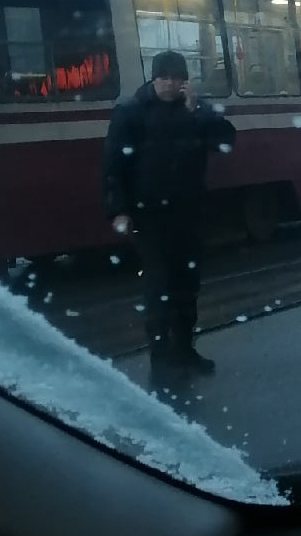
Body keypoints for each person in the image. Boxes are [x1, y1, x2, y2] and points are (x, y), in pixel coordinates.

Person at [102, 50, 236, 387]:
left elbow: (226, 141)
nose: (170, 84)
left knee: (187, 285)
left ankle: (185, 349)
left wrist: (199, 113)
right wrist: (118, 209)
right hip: (149, 215)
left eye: (176, 79)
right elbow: (113, 165)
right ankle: (161, 357)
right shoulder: (131, 112)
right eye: (164, 78)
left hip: (188, 211)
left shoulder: (196, 110)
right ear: (153, 78)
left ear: (184, 82)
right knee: (158, 285)